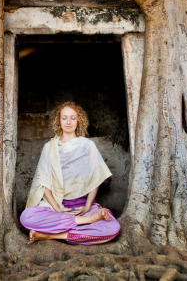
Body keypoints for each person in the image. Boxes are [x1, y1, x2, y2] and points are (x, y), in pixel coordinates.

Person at [20, 101, 120, 245]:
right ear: (58, 120)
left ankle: (49, 235)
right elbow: (44, 184)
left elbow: (95, 180)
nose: (68, 122)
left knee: (113, 228)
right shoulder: (49, 148)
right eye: (64, 118)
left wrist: (87, 206)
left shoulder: (88, 146)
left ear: (78, 120)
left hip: (83, 207)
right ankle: (85, 223)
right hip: (57, 206)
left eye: (73, 118)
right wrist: (58, 208)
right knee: (27, 217)